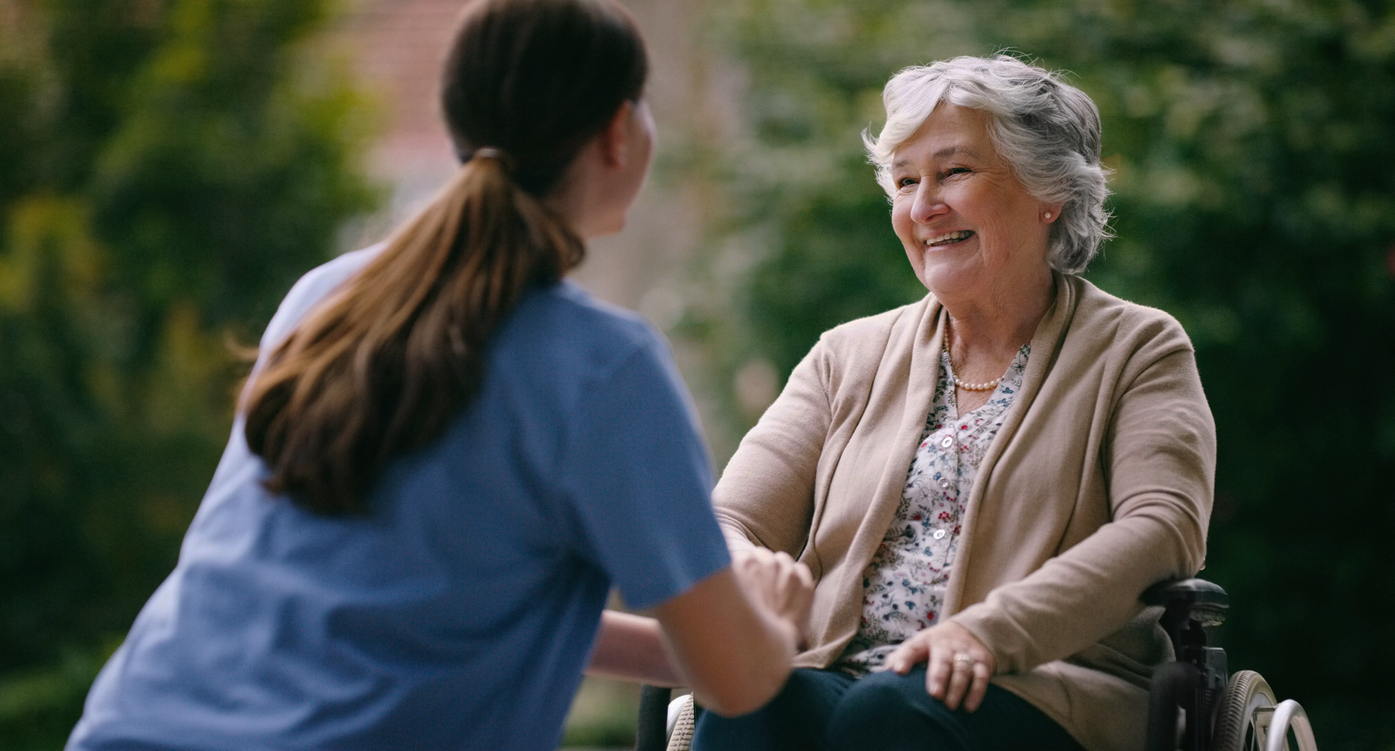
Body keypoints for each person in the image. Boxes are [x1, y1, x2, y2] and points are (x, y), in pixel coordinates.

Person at [64, 1, 812, 749]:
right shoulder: (604, 368)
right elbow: (738, 681)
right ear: (618, 133)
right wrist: (773, 624)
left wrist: (686, 647)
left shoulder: (328, 297)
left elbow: (433, 605)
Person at [691, 55, 1216, 751]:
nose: (922, 206)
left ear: (1046, 189)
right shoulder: (844, 355)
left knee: (888, 714)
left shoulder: (1136, 348)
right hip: (840, 673)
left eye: (954, 172)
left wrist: (987, 631)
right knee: (750, 703)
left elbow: (1161, 527)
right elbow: (731, 518)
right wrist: (746, 566)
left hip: (1041, 686)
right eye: (905, 181)